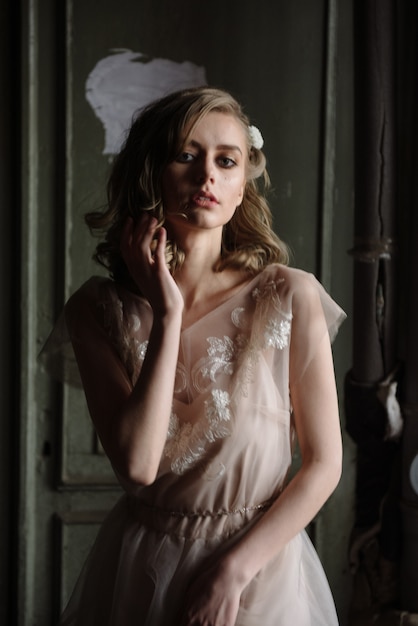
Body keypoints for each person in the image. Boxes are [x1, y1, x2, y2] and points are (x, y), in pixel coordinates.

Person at [41, 86, 346, 625]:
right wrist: (167, 314)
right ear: (151, 172)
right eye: (186, 155)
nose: (207, 174)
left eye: (225, 161)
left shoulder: (289, 296)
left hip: (259, 572)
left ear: (239, 187)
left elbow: (323, 464)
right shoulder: (97, 309)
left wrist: (232, 574)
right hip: (139, 567)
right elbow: (137, 467)